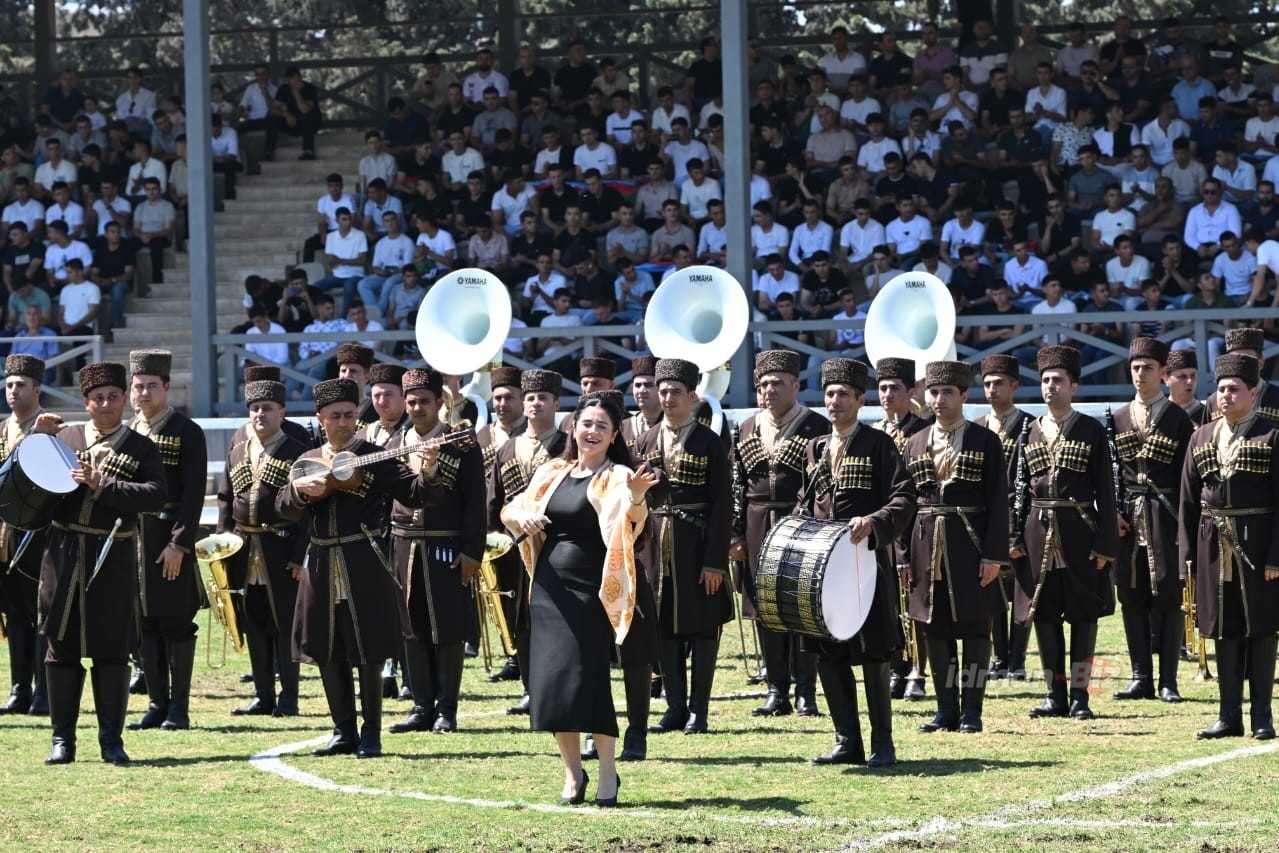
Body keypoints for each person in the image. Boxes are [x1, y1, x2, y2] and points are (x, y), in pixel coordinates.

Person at [502, 392, 656, 807]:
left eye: (601, 427)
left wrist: (639, 497)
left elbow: (631, 521)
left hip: (591, 591)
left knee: (589, 683)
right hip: (548, 588)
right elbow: (510, 509)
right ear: (573, 426)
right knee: (552, 685)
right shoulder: (552, 470)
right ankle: (573, 775)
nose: (592, 432)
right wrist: (524, 517)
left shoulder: (619, 476)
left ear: (613, 435)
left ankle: (608, 772)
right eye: (586, 424)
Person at [278, 378, 432, 759]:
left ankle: (372, 733)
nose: (344, 422)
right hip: (321, 561)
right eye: (335, 417)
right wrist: (300, 491)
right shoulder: (306, 460)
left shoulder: (373, 455)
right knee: (329, 649)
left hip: (365, 559)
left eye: (349, 415)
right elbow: (282, 507)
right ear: (320, 419)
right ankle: (342, 730)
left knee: (369, 649)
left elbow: (413, 493)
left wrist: (427, 470)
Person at [36, 361, 166, 764]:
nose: (105, 404)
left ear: (124, 399)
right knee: (61, 647)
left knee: (111, 649)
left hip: (112, 556)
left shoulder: (142, 445)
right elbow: (28, 488)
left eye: (113, 396)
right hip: (62, 552)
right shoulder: (64, 437)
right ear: (85, 401)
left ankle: (111, 740)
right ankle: (63, 740)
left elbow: (154, 495)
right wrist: (36, 443)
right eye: (97, 398)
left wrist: (102, 483)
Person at [798, 358, 915, 766]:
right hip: (822, 568)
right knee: (828, 650)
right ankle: (847, 739)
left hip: (866, 563)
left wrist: (874, 521)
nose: (834, 402)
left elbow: (904, 499)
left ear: (861, 400)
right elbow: (806, 503)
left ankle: (883, 741)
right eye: (829, 394)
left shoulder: (879, 444)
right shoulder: (814, 447)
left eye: (843, 395)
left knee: (874, 651)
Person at [902, 361, 1009, 734]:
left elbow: (999, 501)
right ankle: (946, 709)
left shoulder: (985, 440)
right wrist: (904, 556)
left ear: (964, 395)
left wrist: (994, 555)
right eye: (934, 392)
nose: (939, 399)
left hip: (971, 544)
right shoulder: (914, 442)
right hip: (925, 546)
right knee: (935, 629)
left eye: (948, 392)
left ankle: (972, 711)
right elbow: (905, 502)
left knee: (978, 629)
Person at [1015, 346, 1120, 720]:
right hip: (1037, 534)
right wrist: (1014, 539)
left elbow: (1107, 491)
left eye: (1058, 380)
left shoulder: (1090, 429)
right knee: (1043, 615)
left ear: (1073, 387)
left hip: (1079, 534)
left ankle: (1080, 696)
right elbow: (1018, 490)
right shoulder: (1029, 430)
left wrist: (1106, 542)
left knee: (1082, 615)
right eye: (1045, 380)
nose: (1050, 387)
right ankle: (1054, 694)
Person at [1179, 353, 1279, 740]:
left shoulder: (1272, 435)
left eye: (1234, 389)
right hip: (1212, 548)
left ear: (1252, 392)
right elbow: (1188, 501)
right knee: (1225, 629)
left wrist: (1276, 556)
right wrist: (1188, 557)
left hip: (1258, 548)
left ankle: (1262, 716)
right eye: (1221, 389)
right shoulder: (1200, 436)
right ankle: (1228, 715)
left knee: (1262, 629)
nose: (1226, 396)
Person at [386, 369, 486, 735]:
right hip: (401, 545)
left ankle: (447, 709)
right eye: (411, 402)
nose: (417, 408)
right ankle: (420, 706)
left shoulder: (460, 443)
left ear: (439, 403)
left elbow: (476, 501)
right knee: (411, 629)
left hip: (446, 544)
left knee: (447, 628)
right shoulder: (395, 444)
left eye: (424, 401)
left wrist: (472, 551)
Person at [634, 358, 732, 734]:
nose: (668, 398)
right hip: (656, 543)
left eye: (676, 391)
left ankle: (699, 711)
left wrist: (715, 562)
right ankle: (675, 707)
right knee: (663, 626)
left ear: (692, 396)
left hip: (697, 541)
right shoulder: (644, 440)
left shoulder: (709, 439)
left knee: (703, 626)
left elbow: (723, 504)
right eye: (663, 391)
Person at [730, 350, 830, 718]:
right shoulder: (746, 428)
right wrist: (736, 534)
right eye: (763, 384)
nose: (769, 390)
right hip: (757, 524)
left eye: (777, 383)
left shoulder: (815, 426)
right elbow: (737, 485)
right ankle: (777, 689)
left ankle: (807, 691)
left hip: (798, 522)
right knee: (766, 610)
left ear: (795, 385)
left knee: (801, 606)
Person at [124, 350, 208, 732]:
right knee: (144, 625)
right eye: (138, 386)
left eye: (151, 386)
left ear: (166, 387)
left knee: (176, 623)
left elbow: (192, 495)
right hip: (133, 539)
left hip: (168, 536)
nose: (143, 394)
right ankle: (157, 703)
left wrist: (179, 544)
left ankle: (179, 708)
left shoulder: (186, 431)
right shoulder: (127, 432)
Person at [216, 377, 309, 716]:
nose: (260, 415)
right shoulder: (238, 448)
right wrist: (222, 544)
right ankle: (263, 694)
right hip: (244, 547)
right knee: (253, 621)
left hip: (281, 546)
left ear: (281, 412)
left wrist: (300, 556)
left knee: (284, 624)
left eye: (267, 409)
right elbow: (226, 499)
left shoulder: (297, 452)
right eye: (255, 409)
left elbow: (308, 513)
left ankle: (289, 698)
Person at [1109, 338, 1194, 705]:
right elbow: (1111, 471)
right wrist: (1112, 510)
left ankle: (1168, 680)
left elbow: (1187, 476)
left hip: (1166, 514)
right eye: (1135, 368)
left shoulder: (1178, 418)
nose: (1140, 375)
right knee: (1131, 594)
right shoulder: (1118, 416)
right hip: (1129, 515)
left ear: (1162, 373)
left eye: (1147, 368)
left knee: (1168, 595)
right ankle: (1140, 676)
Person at [488, 370, 568, 715]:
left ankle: (558, 688)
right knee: (520, 619)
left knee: (557, 619)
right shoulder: (506, 447)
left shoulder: (569, 445)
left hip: (556, 546)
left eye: (543, 398)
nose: (536, 403)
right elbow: (493, 500)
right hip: (512, 547)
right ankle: (530, 688)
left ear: (556, 403)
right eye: (531, 398)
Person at [871, 357, 930, 699]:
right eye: (882, 388)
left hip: (916, 526)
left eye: (895, 388)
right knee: (887, 603)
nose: (888, 395)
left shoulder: (922, 432)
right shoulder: (874, 433)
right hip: (882, 529)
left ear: (910, 392)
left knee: (915, 603)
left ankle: (918, 672)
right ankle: (896, 666)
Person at [0, 355, 52, 716]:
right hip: (5, 533)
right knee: (14, 612)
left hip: (38, 531)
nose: (13, 391)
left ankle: (44, 692)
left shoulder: (52, 427)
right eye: (9, 385)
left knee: (39, 611)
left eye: (21, 385)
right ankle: (20, 688)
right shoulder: (3, 428)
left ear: (37, 388)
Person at [978, 354, 1033, 679]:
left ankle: (1018, 659)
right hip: (986, 521)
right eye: (987, 384)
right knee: (992, 589)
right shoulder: (979, 428)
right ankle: (999, 657)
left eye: (999, 383)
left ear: (1014, 385)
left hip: (1021, 519)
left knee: (1022, 591)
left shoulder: (1028, 425)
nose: (992, 389)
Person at [1203, 328, 1279, 423]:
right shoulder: (1214, 401)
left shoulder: (1276, 397)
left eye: (1248, 360)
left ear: (1261, 363)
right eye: (1234, 360)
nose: (1241, 365)